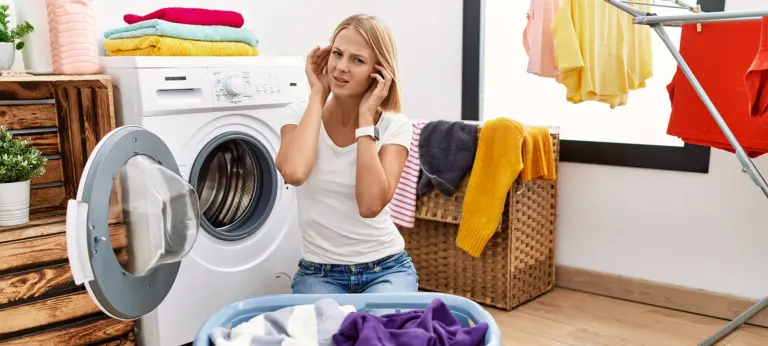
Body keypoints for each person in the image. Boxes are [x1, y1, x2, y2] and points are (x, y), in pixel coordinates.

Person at [275, 14, 418, 294]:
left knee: (376, 325)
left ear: (379, 73)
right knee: (328, 324)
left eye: (357, 60)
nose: (341, 67)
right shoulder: (298, 114)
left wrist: (366, 119)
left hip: (386, 269)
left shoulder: (395, 126)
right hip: (319, 273)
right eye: (337, 54)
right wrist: (318, 95)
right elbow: (294, 173)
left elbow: (370, 205)